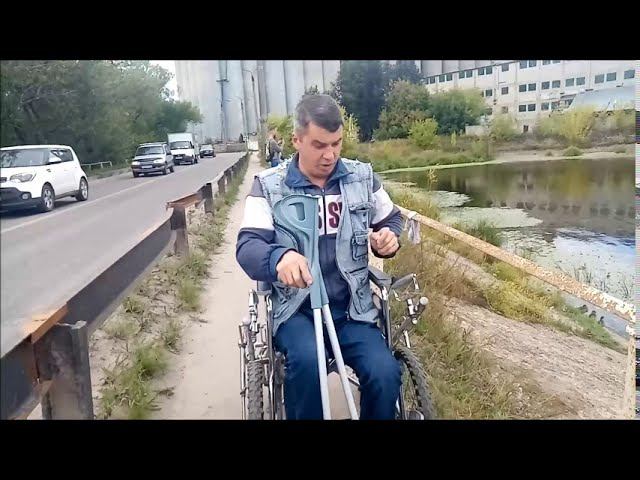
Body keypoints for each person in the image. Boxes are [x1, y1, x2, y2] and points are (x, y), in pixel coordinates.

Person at [236, 94, 403, 420]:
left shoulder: (362, 178)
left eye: (336, 144)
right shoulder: (269, 187)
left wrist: (388, 238)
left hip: (352, 310)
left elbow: (391, 219)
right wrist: (280, 258)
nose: (330, 155)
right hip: (297, 311)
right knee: (307, 366)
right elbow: (248, 245)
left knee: (385, 373)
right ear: (296, 140)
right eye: (319, 145)